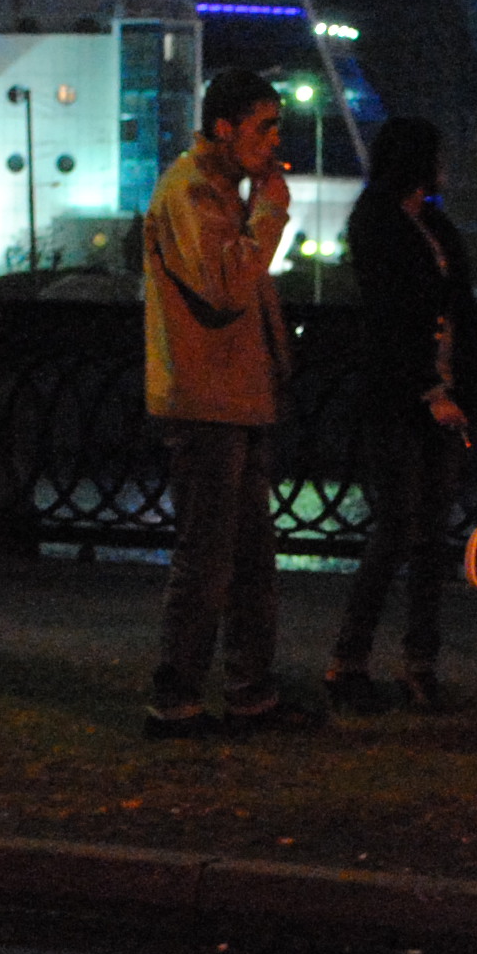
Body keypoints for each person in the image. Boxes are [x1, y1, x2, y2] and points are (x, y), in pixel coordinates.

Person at [140, 66, 313, 737]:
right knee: (208, 561)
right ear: (224, 127)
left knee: (248, 562)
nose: (274, 140)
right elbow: (227, 287)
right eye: (263, 127)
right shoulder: (190, 191)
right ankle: (176, 700)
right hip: (205, 401)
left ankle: (249, 695)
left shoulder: (218, 191)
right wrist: (271, 213)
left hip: (236, 398)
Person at [322, 117, 475, 714]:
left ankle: (418, 662)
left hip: (442, 395)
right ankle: (350, 659)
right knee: (397, 527)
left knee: (430, 534)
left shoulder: (430, 223)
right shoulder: (379, 223)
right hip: (400, 397)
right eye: (437, 155)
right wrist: (429, 387)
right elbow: (392, 317)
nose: (445, 166)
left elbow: (454, 304)